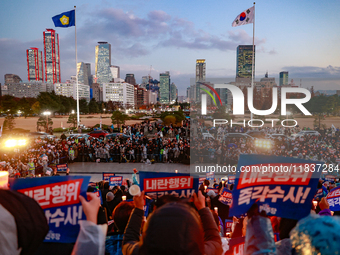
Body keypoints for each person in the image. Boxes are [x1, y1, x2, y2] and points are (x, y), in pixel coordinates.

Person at [122, 191, 223, 255]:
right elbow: (215, 242)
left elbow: (128, 241)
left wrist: (138, 208)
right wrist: (202, 208)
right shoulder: (200, 252)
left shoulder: (143, 252)